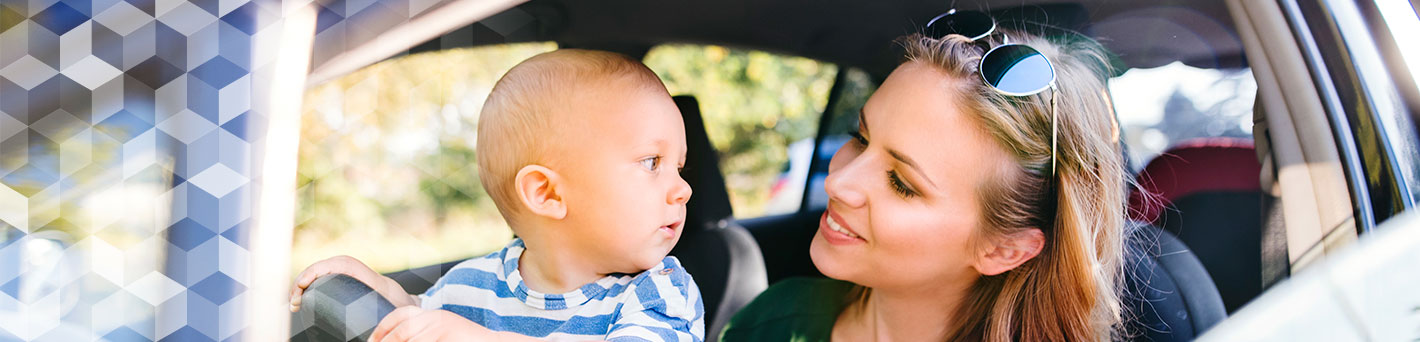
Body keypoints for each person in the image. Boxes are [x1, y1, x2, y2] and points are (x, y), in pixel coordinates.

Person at [721, 18, 1130, 342]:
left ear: (1003, 249)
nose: (837, 183)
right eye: (859, 139)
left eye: (901, 182)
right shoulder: (771, 320)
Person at [289, 49, 705, 341]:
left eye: (678, 167)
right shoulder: (477, 283)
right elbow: (422, 319)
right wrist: (376, 288)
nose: (683, 189)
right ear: (546, 194)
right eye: (652, 162)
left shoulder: (661, 293)